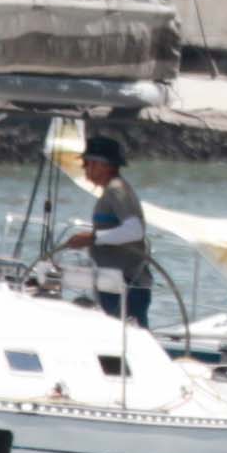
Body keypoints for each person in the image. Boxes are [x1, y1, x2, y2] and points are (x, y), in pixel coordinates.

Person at [58, 133, 157, 328]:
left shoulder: (117, 190)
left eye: (88, 163)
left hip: (127, 285)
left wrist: (92, 238)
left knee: (129, 337)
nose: (84, 168)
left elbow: (135, 230)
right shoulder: (111, 191)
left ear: (105, 165)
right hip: (114, 283)